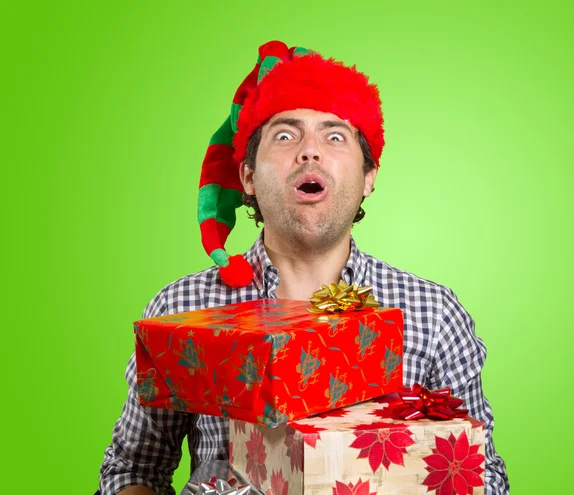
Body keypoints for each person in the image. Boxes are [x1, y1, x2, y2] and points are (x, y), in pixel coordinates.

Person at [97, 40, 509, 494]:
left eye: (335, 136)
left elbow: (483, 474)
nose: (310, 151)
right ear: (248, 177)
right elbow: (133, 471)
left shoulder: (432, 314)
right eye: (285, 135)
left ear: (369, 177)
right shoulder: (183, 310)